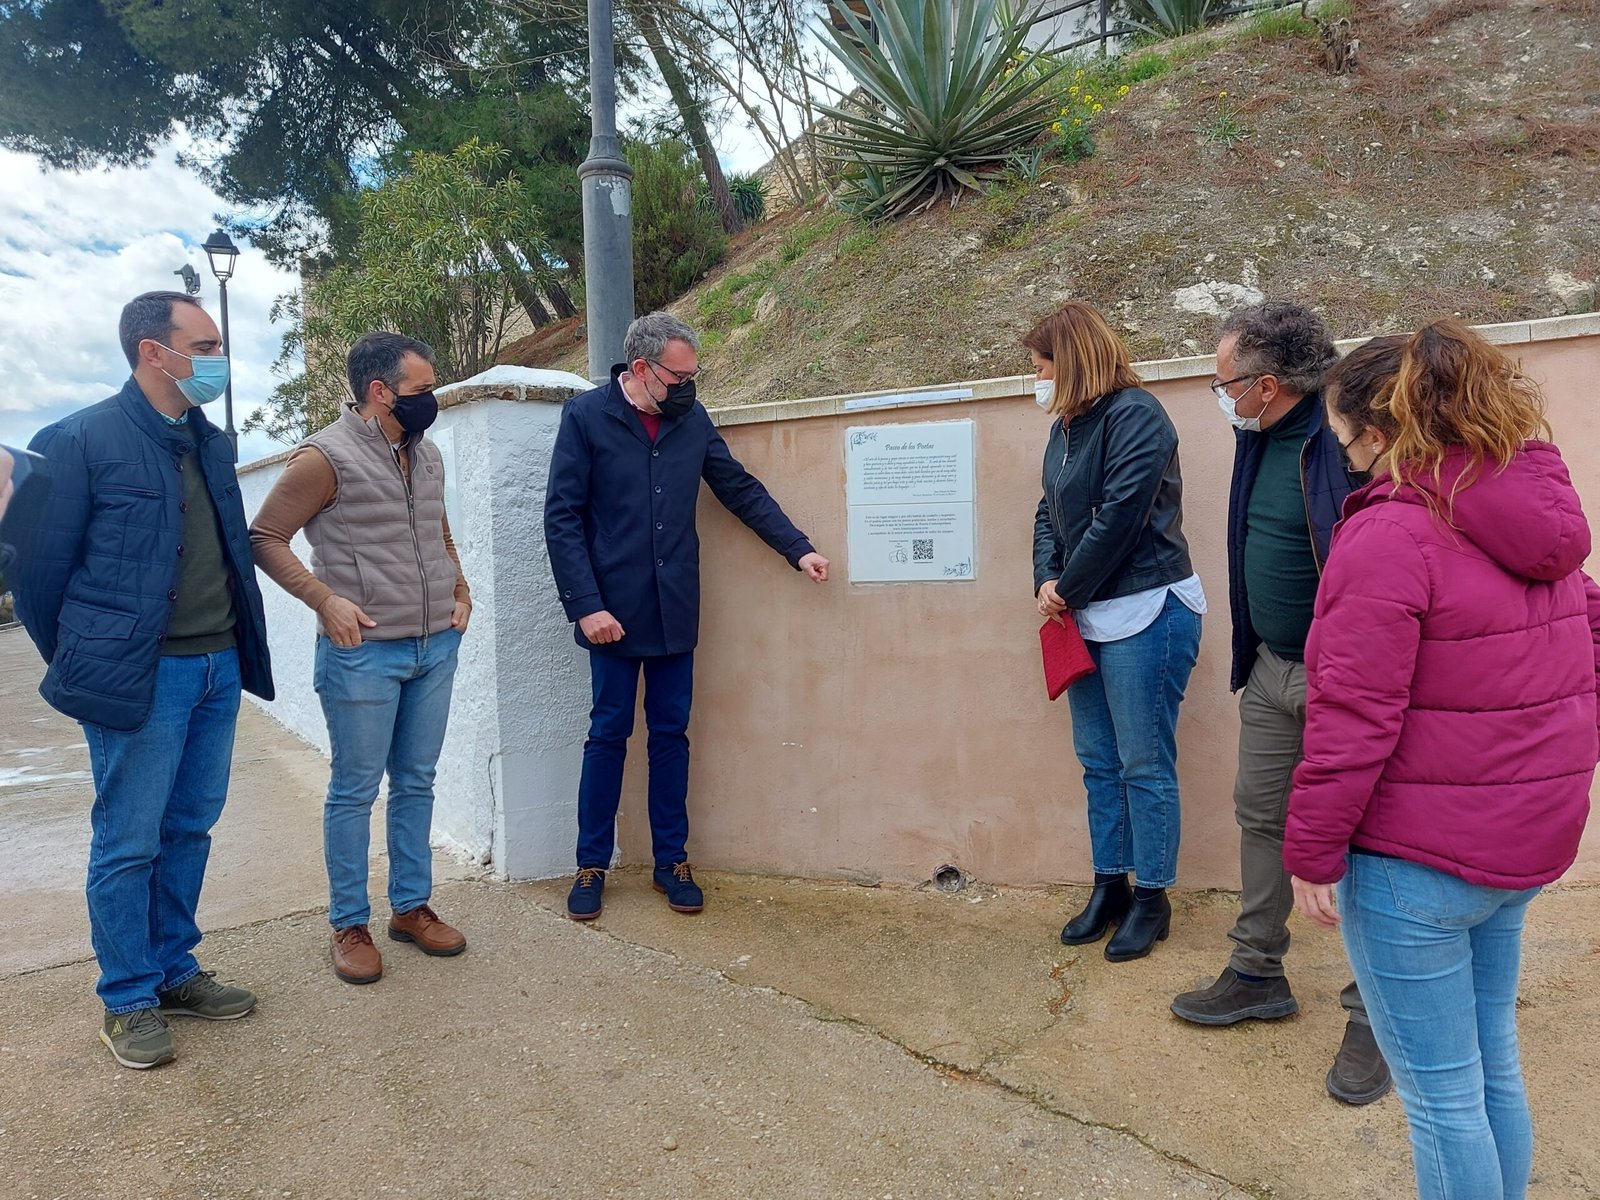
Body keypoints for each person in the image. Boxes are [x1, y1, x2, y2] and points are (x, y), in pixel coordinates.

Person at [1285, 320, 1599, 1199]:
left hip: (1412, 866)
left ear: (1383, 435)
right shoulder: (1535, 517)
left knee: (1440, 1097)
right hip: (1519, 849)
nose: (1345, 462)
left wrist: (1311, 849)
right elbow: (1592, 638)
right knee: (1491, 1060)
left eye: (1346, 443)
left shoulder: (1388, 536)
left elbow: (1351, 716)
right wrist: (1558, 765)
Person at [9, 291, 274, 1069]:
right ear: (154, 352)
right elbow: (37, 575)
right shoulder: (76, 441)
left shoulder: (211, 442)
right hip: (141, 678)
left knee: (189, 828)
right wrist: (88, 660)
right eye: (206, 343)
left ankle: (174, 969)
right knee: (127, 840)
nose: (217, 358)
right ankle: (127, 996)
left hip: (217, 667)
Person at [1168, 301, 1391, 1104]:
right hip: (1271, 668)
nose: (1216, 392)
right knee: (1261, 813)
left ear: (1267, 384)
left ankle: (1376, 1015)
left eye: (1224, 379)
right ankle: (1258, 970)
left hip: (1346, 682)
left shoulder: (1349, 441)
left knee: (1366, 840)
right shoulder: (1253, 435)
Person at [544, 311, 830, 920]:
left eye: (693, 376)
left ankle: (672, 860)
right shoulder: (586, 418)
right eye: (679, 377)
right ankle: (591, 863)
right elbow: (562, 518)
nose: (689, 388)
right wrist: (586, 606)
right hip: (611, 616)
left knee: (671, 737)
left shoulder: (690, 420)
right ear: (642, 370)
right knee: (608, 736)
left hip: (675, 612)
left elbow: (739, 489)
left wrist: (797, 548)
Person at [250, 332, 471, 985]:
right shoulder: (324, 457)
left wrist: (461, 589)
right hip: (363, 655)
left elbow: (436, 528)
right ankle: (349, 924)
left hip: (435, 646)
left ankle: (411, 908)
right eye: (421, 389)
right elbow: (265, 536)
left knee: (417, 781)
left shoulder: (425, 453)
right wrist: (325, 601)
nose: (431, 399)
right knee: (353, 790)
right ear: (380, 391)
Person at [1028, 301, 1205, 962]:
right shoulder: (1066, 427)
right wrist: (1047, 579)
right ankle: (1111, 885)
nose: (1036, 379)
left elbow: (1121, 519)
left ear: (1071, 362)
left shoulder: (1137, 417)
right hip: (1085, 614)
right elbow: (1049, 510)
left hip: (1146, 609)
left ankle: (1153, 898)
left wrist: (1066, 588)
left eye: (1042, 366)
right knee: (1099, 762)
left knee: (1142, 762)